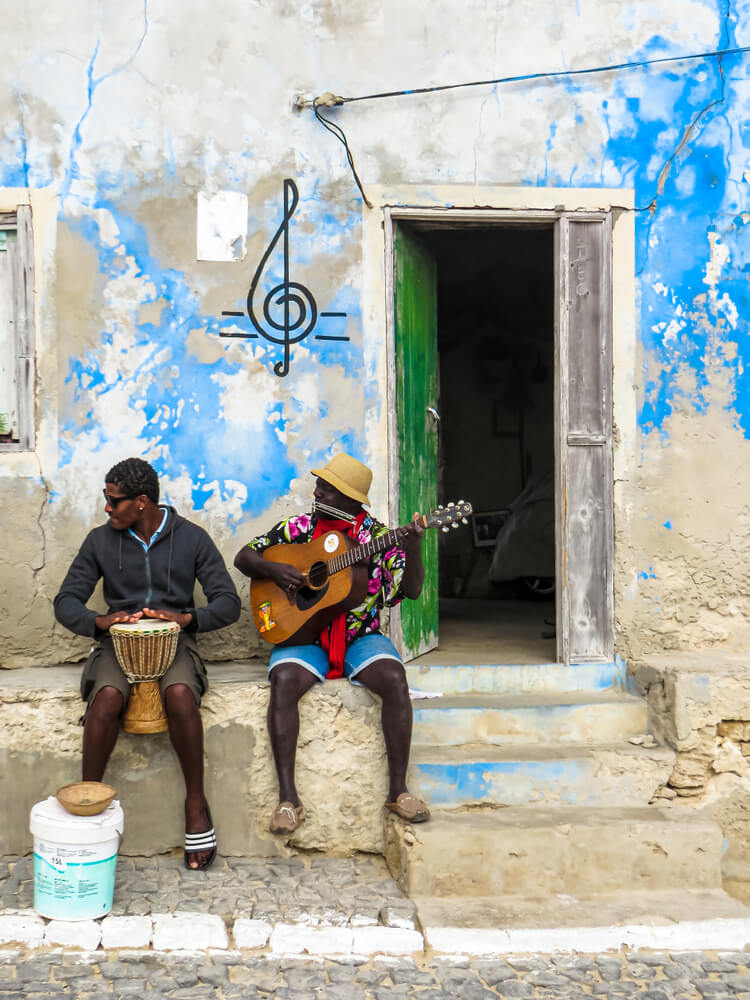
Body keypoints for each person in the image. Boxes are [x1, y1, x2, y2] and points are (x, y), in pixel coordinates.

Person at [54, 458, 241, 870]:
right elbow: (66, 601)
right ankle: (90, 801)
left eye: (114, 500)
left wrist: (186, 619)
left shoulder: (191, 538)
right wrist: (99, 622)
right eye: (106, 498)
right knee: (106, 698)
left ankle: (196, 803)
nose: (107, 508)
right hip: (117, 643)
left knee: (179, 694)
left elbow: (229, 603)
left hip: (175, 641)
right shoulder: (99, 541)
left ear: (141, 502)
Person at [234, 451, 431, 835]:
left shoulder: (378, 539)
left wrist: (412, 546)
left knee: (394, 679)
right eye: (320, 484)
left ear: (351, 498)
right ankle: (288, 800)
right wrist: (275, 569)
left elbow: (411, 590)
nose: (317, 491)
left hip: (360, 636)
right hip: (302, 633)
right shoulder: (299, 528)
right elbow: (245, 557)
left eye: (328, 487)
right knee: (285, 681)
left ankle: (399, 791)